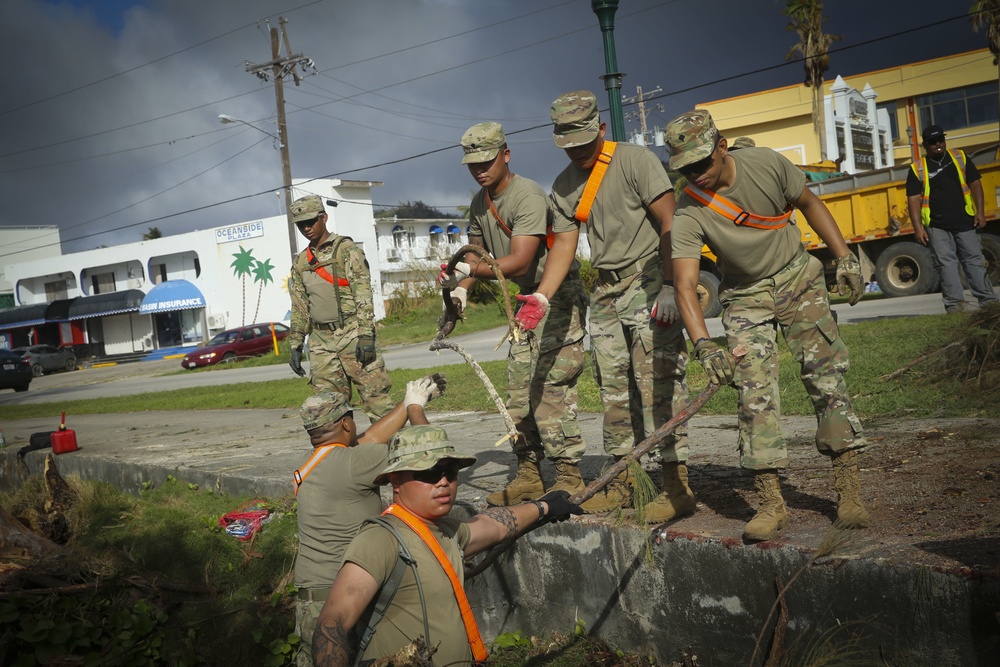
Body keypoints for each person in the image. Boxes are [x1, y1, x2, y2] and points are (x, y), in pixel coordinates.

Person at [664, 109, 869, 542]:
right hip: (744, 295)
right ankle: (771, 501)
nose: (696, 175)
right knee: (754, 395)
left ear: (722, 147)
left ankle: (848, 491)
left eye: (702, 163)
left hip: (799, 277)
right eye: (685, 168)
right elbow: (685, 286)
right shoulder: (687, 213)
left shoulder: (768, 164)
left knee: (827, 378)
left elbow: (810, 204)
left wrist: (844, 256)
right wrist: (704, 345)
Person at [538, 90, 692, 521]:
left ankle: (676, 484)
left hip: (648, 279)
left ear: (601, 129)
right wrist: (540, 296)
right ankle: (625, 480)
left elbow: (670, 220)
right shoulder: (564, 186)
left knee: (659, 383)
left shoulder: (633, 161)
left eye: (585, 142)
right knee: (614, 390)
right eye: (569, 145)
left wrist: (670, 284)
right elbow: (564, 246)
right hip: (606, 291)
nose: (579, 152)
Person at [310, 425, 582, 667]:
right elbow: (332, 622)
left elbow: (493, 524)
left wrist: (544, 507)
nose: (442, 482)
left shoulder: (446, 531)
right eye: (428, 473)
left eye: (449, 472)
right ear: (395, 481)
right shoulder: (381, 540)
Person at [438, 121, 589, 505]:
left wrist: (469, 270)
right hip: (525, 299)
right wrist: (459, 289)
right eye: (472, 164)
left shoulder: (527, 196)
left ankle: (569, 475)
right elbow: (475, 254)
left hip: (555, 298)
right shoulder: (480, 203)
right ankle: (529, 474)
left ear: (505, 154)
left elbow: (520, 261)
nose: (480, 169)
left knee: (551, 387)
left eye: (486, 160)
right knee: (519, 391)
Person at [293, 375, 446, 667]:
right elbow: (428, 452)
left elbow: (371, 438)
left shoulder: (312, 461)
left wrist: (407, 400)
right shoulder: (355, 463)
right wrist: (415, 409)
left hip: (310, 602)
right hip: (343, 603)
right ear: (347, 424)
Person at [287, 194, 394, 421]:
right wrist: (296, 343)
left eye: (311, 222)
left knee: (376, 400)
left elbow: (363, 294)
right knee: (329, 410)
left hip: (352, 334)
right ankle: (343, 454)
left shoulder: (346, 250)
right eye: (301, 225)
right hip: (321, 342)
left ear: (323, 218)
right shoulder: (301, 262)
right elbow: (299, 305)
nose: (306, 228)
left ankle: (394, 450)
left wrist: (366, 335)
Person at [906, 125, 998, 314]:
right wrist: (918, 228)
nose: (938, 144)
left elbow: (975, 184)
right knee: (946, 264)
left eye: (941, 139)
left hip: (965, 221)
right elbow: (913, 200)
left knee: (974, 260)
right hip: (936, 226)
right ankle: (955, 305)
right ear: (925, 145)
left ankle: (988, 301)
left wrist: (980, 212)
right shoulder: (917, 168)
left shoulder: (960, 157)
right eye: (933, 142)